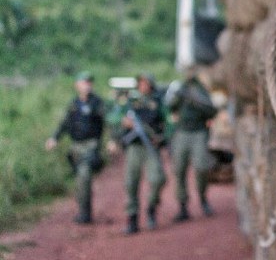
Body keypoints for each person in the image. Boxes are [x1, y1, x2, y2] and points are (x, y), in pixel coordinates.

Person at [107, 73, 167, 234]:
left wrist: (161, 139)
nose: (143, 86)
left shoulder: (158, 101)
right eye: (140, 83)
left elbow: (168, 122)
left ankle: (151, 208)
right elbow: (112, 117)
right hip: (134, 146)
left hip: (151, 146)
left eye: (146, 83)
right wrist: (124, 122)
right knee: (131, 182)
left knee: (158, 179)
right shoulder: (130, 102)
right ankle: (132, 219)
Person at [45, 71, 106, 224]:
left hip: (91, 146)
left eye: (89, 82)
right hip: (76, 147)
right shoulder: (74, 104)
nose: (87, 86)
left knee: (84, 177)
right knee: (79, 180)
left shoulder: (97, 103)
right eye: (84, 82)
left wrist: (113, 141)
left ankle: (85, 214)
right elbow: (65, 123)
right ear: (77, 85)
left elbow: (109, 121)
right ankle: (83, 210)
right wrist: (54, 138)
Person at [164, 72, 218, 221]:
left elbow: (212, 111)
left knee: (201, 167)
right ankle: (182, 205)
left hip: (198, 133)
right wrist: (179, 96)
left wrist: (196, 101)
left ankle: (203, 198)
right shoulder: (180, 88)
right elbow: (169, 107)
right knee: (179, 169)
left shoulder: (201, 91)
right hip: (181, 133)